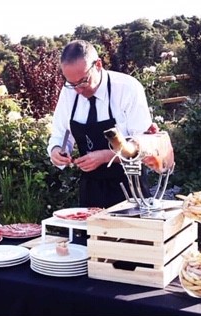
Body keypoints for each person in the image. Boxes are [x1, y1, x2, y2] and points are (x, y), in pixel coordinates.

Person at [48, 40, 156, 209]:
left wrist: (106, 156)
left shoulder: (127, 88)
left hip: (130, 187)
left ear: (98, 65)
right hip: (91, 189)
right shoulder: (69, 92)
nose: (78, 90)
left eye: (83, 81)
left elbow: (144, 145)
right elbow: (60, 134)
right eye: (72, 84)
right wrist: (57, 151)